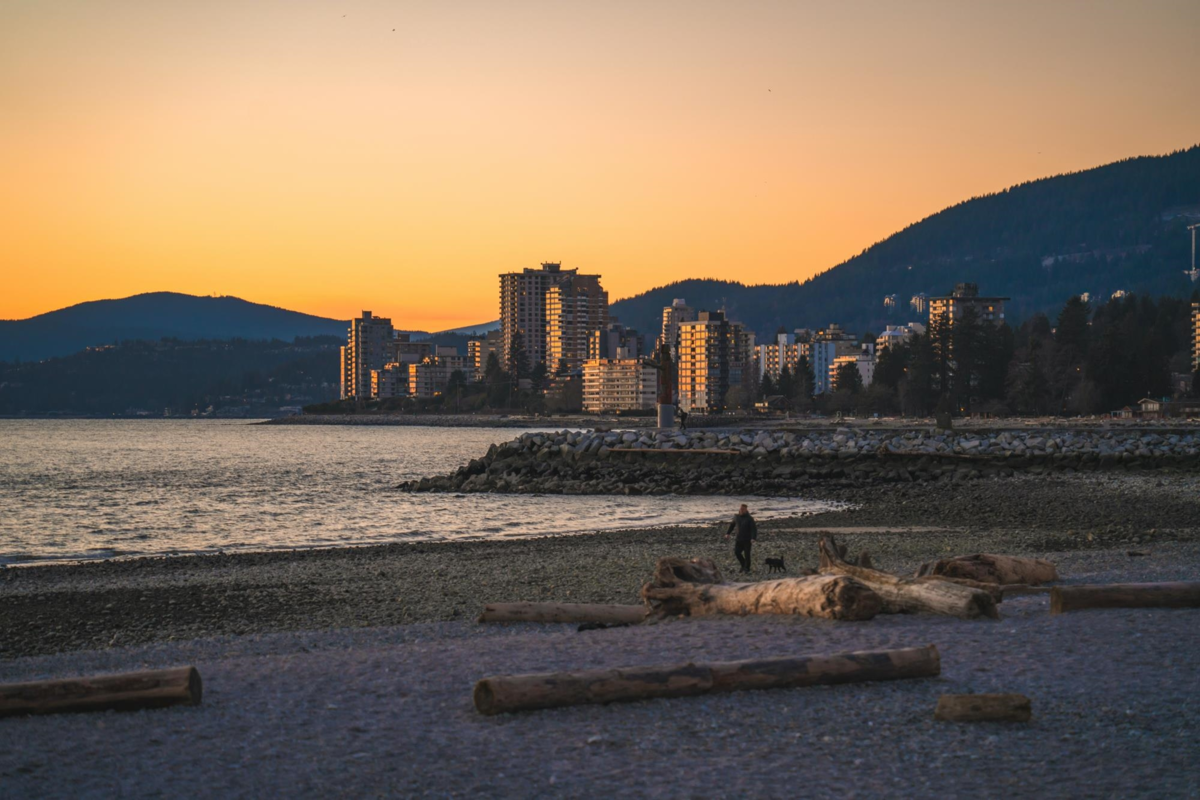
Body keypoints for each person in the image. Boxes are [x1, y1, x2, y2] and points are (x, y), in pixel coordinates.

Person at [723, 503, 757, 573]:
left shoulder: (749, 518)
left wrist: (753, 538)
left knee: (747, 555)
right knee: (737, 552)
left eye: (743, 509)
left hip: (747, 540)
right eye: (740, 509)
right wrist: (728, 533)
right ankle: (743, 565)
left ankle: (747, 568)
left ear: (746, 510)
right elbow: (732, 525)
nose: (741, 510)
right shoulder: (736, 517)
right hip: (739, 539)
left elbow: (754, 529)